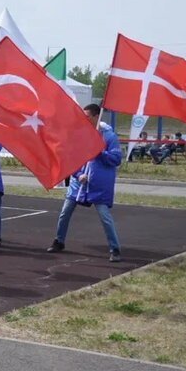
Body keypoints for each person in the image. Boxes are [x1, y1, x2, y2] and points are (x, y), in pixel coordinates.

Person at [49, 103, 123, 262]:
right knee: (65, 213)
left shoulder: (109, 137)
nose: (83, 119)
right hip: (79, 184)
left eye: (87, 116)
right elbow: (71, 159)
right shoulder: (79, 135)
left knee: (105, 217)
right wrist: (78, 174)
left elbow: (116, 159)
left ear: (97, 116)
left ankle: (114, 248)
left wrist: (99, 152)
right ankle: (59, 241)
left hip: (99, 185)